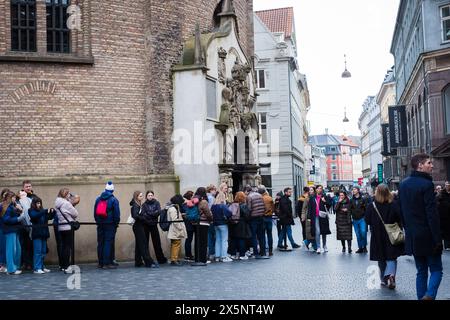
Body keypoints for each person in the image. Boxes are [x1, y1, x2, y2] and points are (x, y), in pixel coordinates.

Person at [399, 153, 443, 300]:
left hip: (413, 235)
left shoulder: (403, 184)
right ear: (420, 165)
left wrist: (408, 231)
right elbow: (432, 214)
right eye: (429, 163)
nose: (432, 165)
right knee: (436, 269)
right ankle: (430, 295)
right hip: (428, 235)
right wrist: (438, 238)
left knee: (421, 271)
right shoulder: (427, 185)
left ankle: (421, 298)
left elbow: (401, 211)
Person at [366, 184, 405, 289]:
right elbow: (399, 218)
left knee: (381, 257)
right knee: (392, 257)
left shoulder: (372, 205)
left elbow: (367, 220)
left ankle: (384, 279)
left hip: (377, 236)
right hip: (392, 234)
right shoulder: (393, 204)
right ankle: (391, 275)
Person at [94, 181, 121, 269]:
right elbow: (117, 214)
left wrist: (98, 222)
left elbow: (95, 213)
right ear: (113, 190)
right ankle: (107, 263)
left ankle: (100, 263)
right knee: (108, 243)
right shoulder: (114, 200)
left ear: (105, 189)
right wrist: (116, 223)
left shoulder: (98, 199)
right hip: (110, 224)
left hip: (100, 224)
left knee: (100, 242)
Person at [54, 188, 78, 274]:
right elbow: (75, 213)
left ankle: (63, 266)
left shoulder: (57, 202)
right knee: (68, 247)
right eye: (69, 194)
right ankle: (67, 266)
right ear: (66, 194)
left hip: (61, 227)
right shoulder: (66, 203)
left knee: (63, 247)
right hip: (68, 227)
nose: (69, 196)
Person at [28, 197, 55, 274]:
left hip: (44, 233)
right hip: (37, 234)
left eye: (40, 203)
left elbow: (49, 217)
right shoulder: (31, 211)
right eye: (37, 203)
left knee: (43, 251)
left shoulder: (42, 211)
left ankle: (42, 266)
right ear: (34, 204)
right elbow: (34, 216)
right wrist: (45, 211)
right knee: (37, 251)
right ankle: (37, 268)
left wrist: (52, 212)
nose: (39, 204)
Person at [130, 191, 156, 268]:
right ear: (136, 197)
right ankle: (148, 262)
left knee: (139, 244)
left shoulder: (137, 204)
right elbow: (135, 215)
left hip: (139, 225)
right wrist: (144, 218)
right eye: (140, 196)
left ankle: (138, 262)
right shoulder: (135, 205)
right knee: (143, 244)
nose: (141, 197)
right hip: (138, 226)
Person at [1, 191, 25, 274]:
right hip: (9, 230)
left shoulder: (12, 206)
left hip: (14, 229)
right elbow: (6, 219)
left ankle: (15, 267)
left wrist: (20, 210)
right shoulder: (6, 206)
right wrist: (18, 219)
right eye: (13, 197)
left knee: (17, 249)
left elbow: (15, 215)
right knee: (10, 250)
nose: (15, 199)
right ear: (9, 198)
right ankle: (11, 269)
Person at [141, 190, 167, 265]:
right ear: (146, 196)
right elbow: (144, 214)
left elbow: (158, 212)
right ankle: (147, 259)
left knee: (157, 243)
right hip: (146, 225)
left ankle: (161, 259)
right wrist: (153, 214)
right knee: (145, 242)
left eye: (151, 195)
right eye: (149, 195)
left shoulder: (157, 203)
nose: (150, 197)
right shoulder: (144, 205)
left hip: (154, 225)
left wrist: (150, 214)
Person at [190, 187, 213, 264]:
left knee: (197, 241)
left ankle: (197, 258)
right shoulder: (203, 201)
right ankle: (203, 259)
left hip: (195, 223)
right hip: (203, 223)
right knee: (203, 242)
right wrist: (211, 219)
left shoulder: (194, 200)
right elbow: (208, 213)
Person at [245, 186, 268, 258]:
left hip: (253, 218)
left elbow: (249, 209)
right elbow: (264, 207)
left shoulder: (249, 197)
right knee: (261, 236)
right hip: (261, 217)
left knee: (254, 236)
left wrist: (248, 218)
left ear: (248, 191)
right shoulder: (260, 196)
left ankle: (256, 253)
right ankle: (263, 252)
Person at [307, 185, 331, 254]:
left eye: (321, 188)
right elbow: (310, 208)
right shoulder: (312, 198)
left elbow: (329, 205)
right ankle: (318, 247)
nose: (319, 190)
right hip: (315, 217)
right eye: (318, 188)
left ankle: (324, 245)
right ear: (316, 190)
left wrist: (325, 201)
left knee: (324, 232)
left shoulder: (325, 197)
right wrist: (309, 217)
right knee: (317, 231)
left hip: (323, 216)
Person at [228, 191, 252, 260]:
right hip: (241, 224)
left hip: (233, 224)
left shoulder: (233, 204)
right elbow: (247, 216)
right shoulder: (243, 205)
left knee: (234, 239)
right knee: (241, 239)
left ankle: (233, 254)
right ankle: (242, 254)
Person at [211, 192, 232, 262]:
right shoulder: (222, 205)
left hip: (215, 224)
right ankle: (223, 256)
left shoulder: (213, 206)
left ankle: (217, 256)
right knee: (224, 240)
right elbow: (229, 213)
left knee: (218, 240)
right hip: (223, 223)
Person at [167, 194, 187, 266]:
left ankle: (175, 258)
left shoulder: (174, 207)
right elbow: (175, 220)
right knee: (176, 244)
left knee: (176, 244)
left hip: (175, 228)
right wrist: (180, 228)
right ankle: (174, 259)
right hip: (175, 229)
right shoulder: (173, 208)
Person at [350, 186, 368, 253]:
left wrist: (366, 217)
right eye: (353, 189)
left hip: (362, 218)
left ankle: (364, 246)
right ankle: (360, 248)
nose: (353, 190)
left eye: (354, 189)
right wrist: (350, 218)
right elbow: (349, 210)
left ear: (358, 190)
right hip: (355, 219)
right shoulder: (351, 200)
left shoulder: (363, 199)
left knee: (363, 232)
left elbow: (366, 209)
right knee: (358, 234)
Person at [259, 185, 275, 256]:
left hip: (262, 217)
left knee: (262, 235)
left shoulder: (260, 198)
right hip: (269, 217)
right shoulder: (269, 198)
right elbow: (273, 207)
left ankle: (263, 251)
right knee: (269, 234)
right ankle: (270, 250)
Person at [0, 188, 11, 273]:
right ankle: (2, 265)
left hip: (9, 228)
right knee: (2, 247)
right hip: (2, 227)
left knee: (8, 247)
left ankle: (7, 264)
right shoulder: (1, 205)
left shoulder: (11, 205)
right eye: (4, 194)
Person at [182, 191, 195, 261]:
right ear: (190, 197)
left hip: (188, 223)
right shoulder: (186, 204)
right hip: (188, 224)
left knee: (189, 239)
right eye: (193, 196)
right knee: (189, 239)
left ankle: (188, 254)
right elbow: (187, 213)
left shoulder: (185, 204)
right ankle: (188, 255)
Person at [437, 181, 450, 250]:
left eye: (449, 185)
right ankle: (447, 245)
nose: (448, 186)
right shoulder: (442, 193)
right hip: (444, 215)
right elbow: (437, 200)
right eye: (447, 185)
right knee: (446, 231)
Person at [206, 184, 217, 262]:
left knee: (209, 236)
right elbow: (211, 209)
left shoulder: (206, 197)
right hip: (211, 220)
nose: (215, 191)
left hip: (206, 220)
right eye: (214, 190)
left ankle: (210, 253)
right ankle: (212, 253)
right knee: (211, 237)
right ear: (211, 190)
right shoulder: (211, 198)